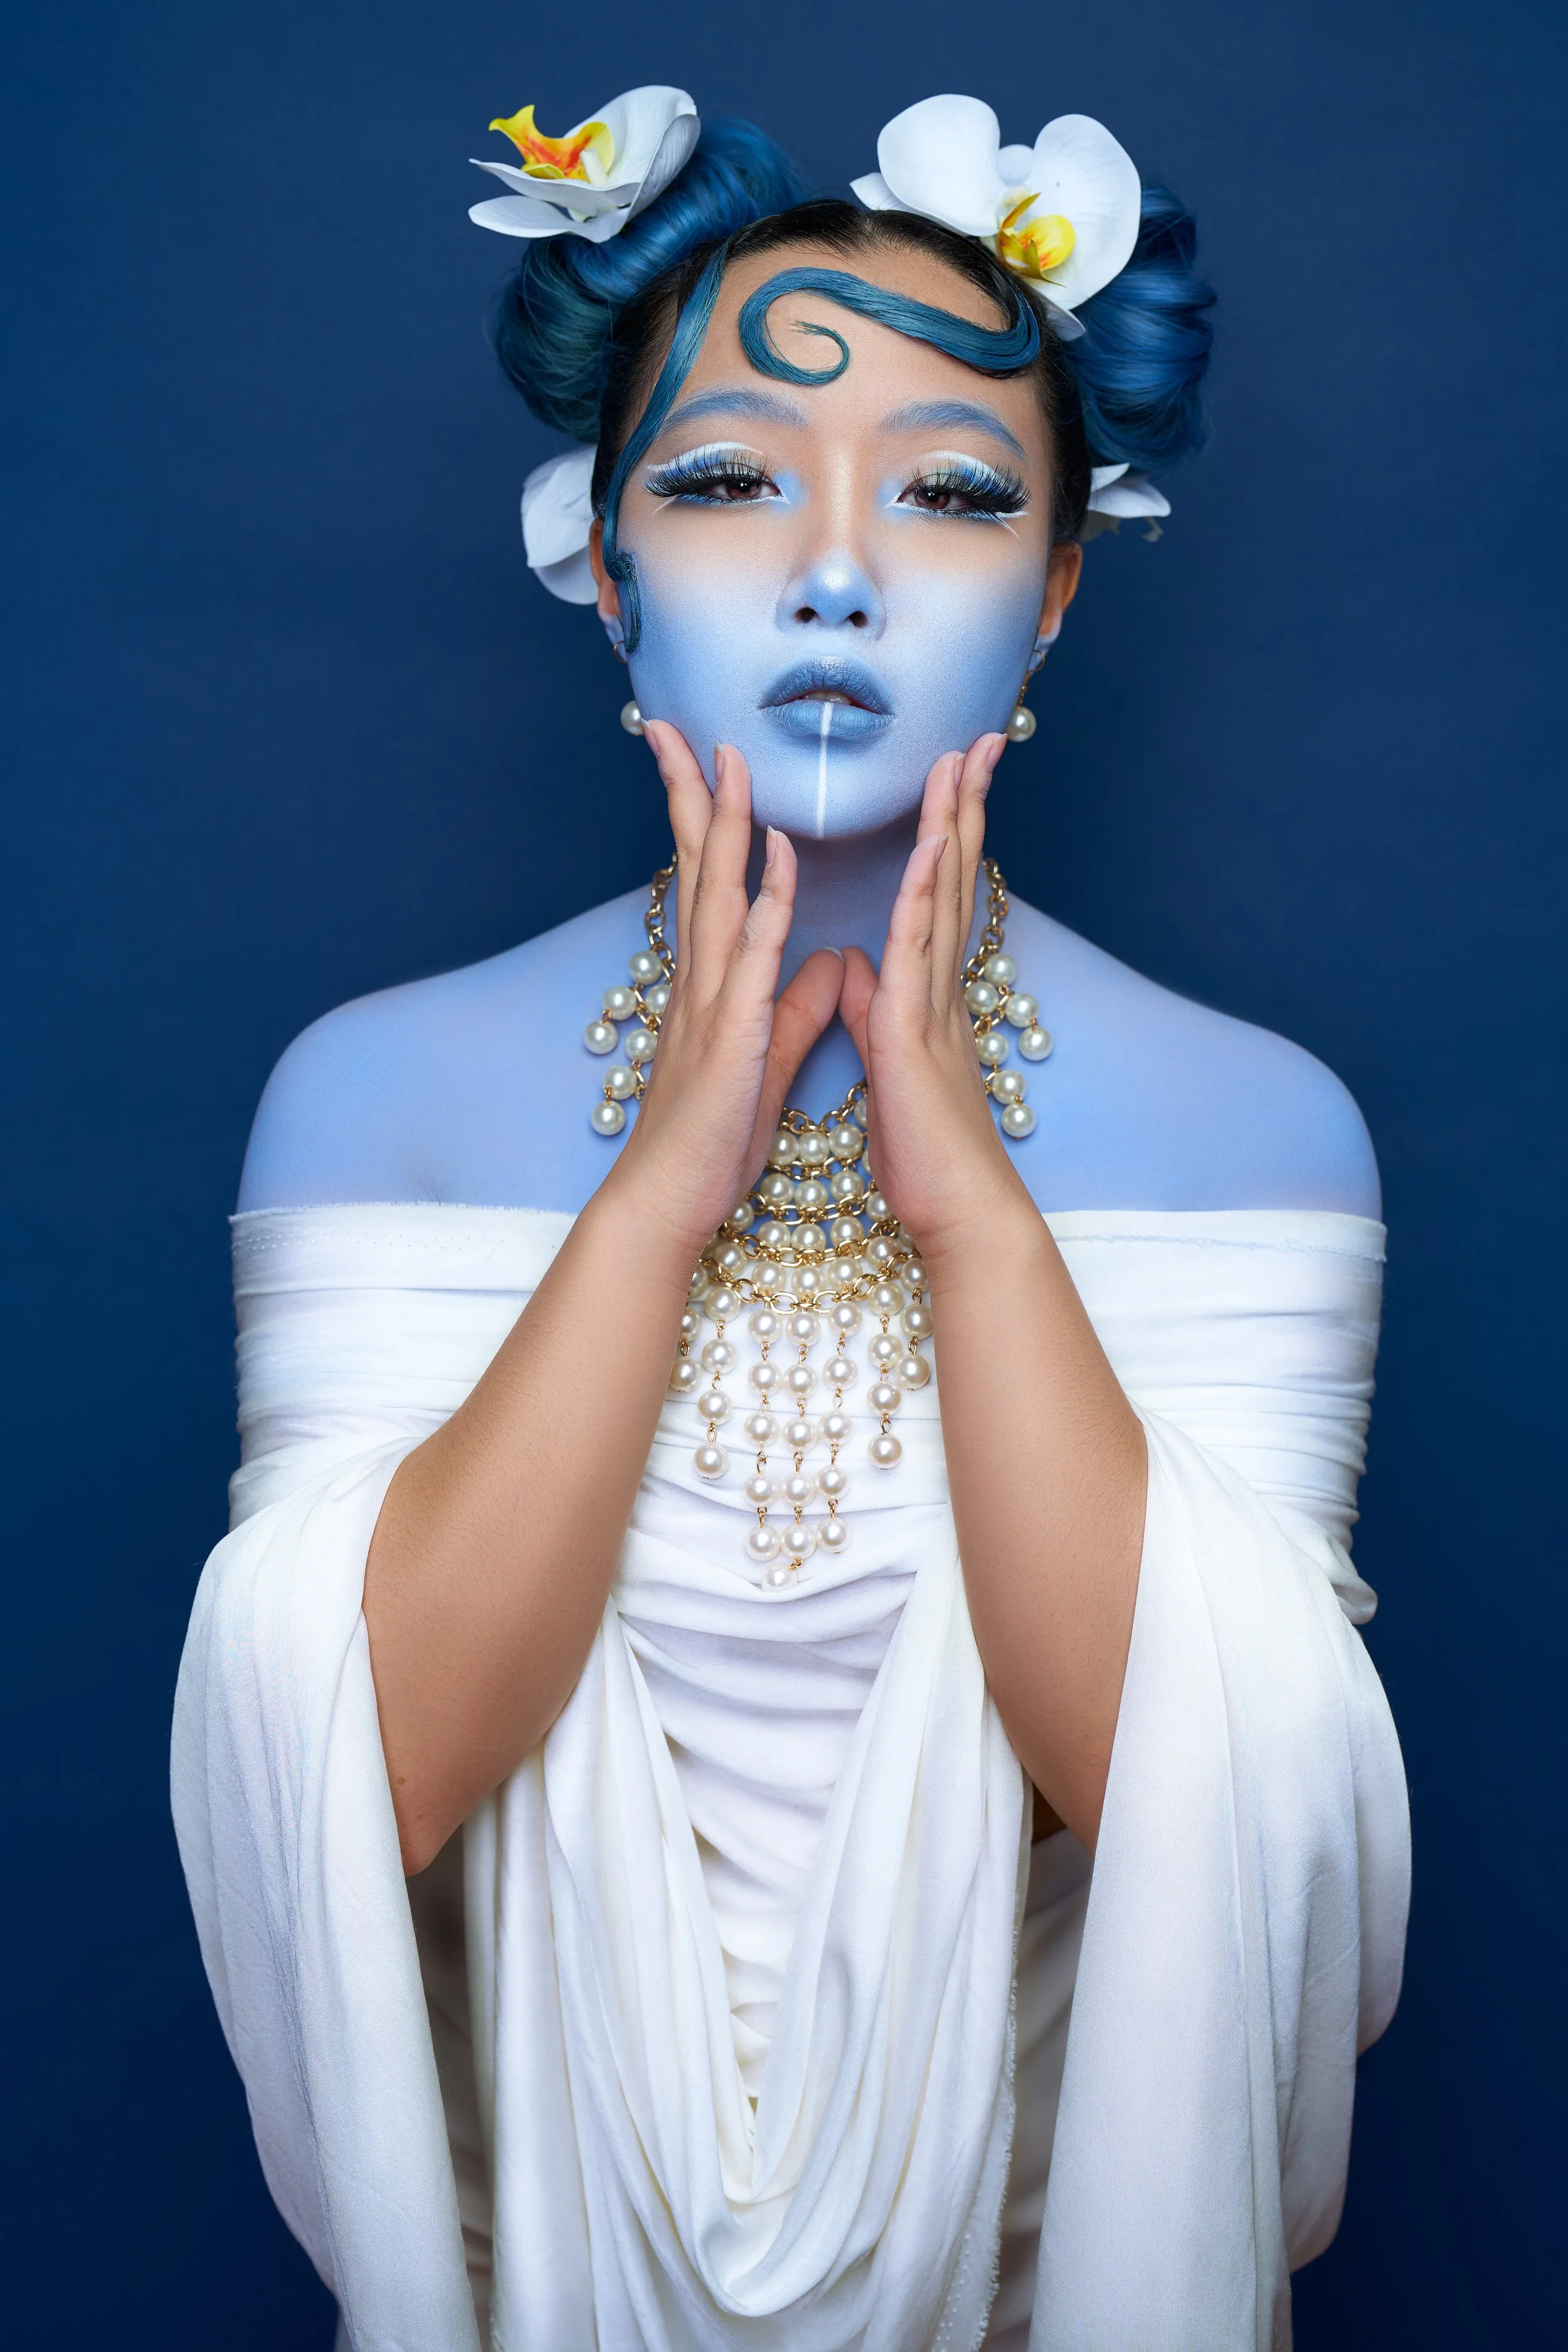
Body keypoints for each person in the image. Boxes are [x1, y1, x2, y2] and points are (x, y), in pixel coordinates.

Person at [173, 87, 1409, 2352]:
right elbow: (359, 1787)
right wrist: (656, 1196)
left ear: (1054, 588)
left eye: (950, 494)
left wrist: (977, 1222)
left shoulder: (1255, 1133)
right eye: (731, 479)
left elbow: (1200, 1824)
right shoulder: (372, 1101)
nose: (836, 569)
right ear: (608, 562)